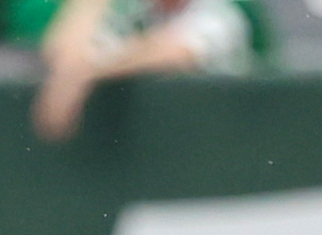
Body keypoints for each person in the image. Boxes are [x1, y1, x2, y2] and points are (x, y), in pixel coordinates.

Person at [29, 0, 265, 141]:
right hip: (156, 157)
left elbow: (172, 52)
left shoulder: (223, 13)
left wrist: (79, 75)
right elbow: (62, 46)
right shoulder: (134, 12)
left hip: (223, 147)